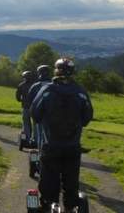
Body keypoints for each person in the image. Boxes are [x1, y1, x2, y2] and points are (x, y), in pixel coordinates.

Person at [31, 58, 93, 211]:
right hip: (72, 147)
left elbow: (35, 114)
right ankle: (71, 206)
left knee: (48, 182)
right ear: (72, 72)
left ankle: (48, 204)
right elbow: (87, 118)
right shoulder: (80, 91)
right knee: (71, 182)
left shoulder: (46, 90)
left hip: (51, 145)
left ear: (56, 70)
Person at [28, 65, 52, 146]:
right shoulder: (54, 85)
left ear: (39, 73)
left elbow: (30, 100)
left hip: (38, 113)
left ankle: (40, 150)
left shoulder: (35, 86)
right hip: (52, 114)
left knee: (39, 133)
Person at [16, 71, 34, 144]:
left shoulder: (21, 85)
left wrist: (21, 100)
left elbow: (17, 97)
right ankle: (36, 139)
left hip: (25, 106)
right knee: (35, 123)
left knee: (26, 123)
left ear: (24, 77)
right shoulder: (34, 85)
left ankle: (27, 138)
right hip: (33, 107)